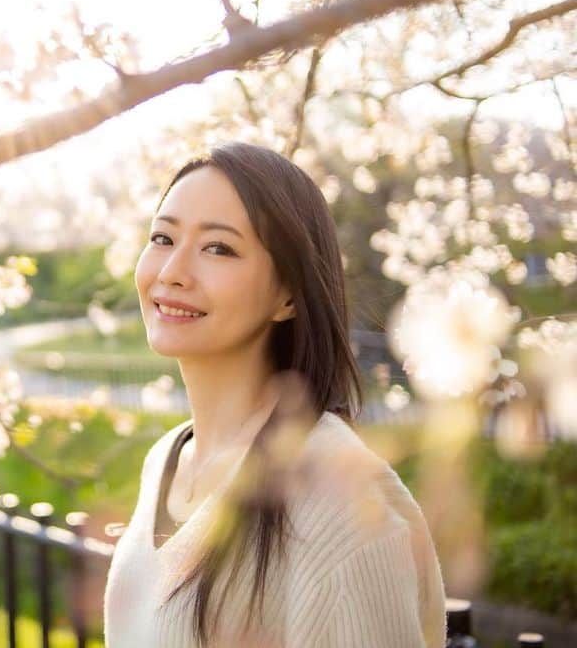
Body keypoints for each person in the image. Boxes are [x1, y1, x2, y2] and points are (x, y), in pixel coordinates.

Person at [102, 143, 446, 647]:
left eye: (218, 248)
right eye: (162, 237)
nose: (172, 270)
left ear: (288, 294)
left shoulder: (341, 504)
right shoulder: (169, 457)